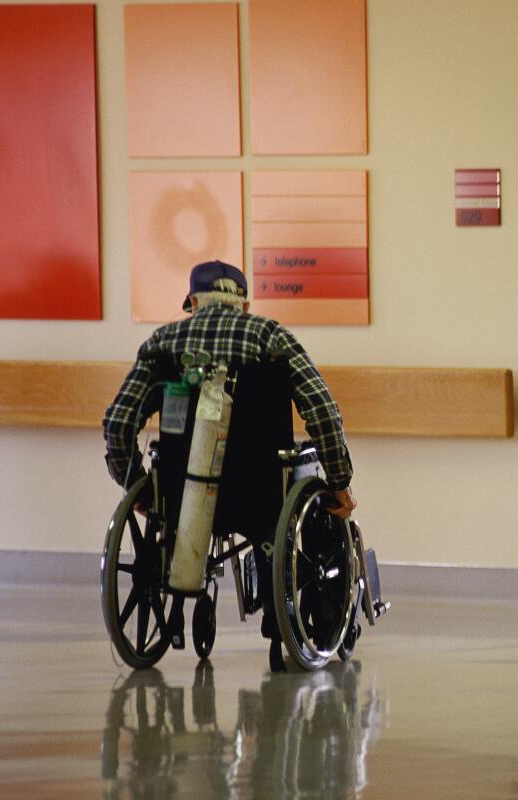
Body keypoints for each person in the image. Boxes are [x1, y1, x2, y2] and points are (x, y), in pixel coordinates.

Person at [102, 259, 356, 670]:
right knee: (301, 474)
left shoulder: (162, 344)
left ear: (192, 302)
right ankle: (286, 623)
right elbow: (322, 409)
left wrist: (137, 483)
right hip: (261, 495)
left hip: (179, 495)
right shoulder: (270, 336)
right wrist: (340, 479)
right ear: (244, 305)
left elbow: (117, 422)